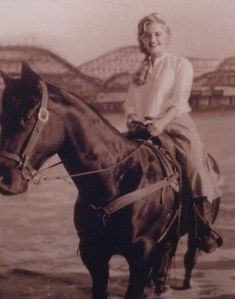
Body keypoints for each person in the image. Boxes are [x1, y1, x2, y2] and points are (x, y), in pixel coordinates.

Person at [124, 12, 223, 253]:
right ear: (142, 40)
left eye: (158, 34)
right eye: (147, 36)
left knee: (195, 167)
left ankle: (202, 226)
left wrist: (161, 122)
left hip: (174, 125)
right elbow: (129, 102)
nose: (152, 39)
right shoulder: (139, 71)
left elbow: (179, 101)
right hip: (143, 128)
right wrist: (131, 118)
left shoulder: (180, 64)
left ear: (167, 37)